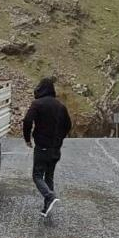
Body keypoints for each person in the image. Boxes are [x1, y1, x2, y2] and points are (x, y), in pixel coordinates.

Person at [22, 77, 72, 217]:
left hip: (42, 146)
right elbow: (68, 125)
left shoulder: (37, 104)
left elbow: (27, 121)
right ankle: (46, 207)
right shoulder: (60, 106)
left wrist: (27, 138)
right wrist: (59, 138)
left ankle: (49, 196)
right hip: (56, 148)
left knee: (37, 175)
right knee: (49, 176)